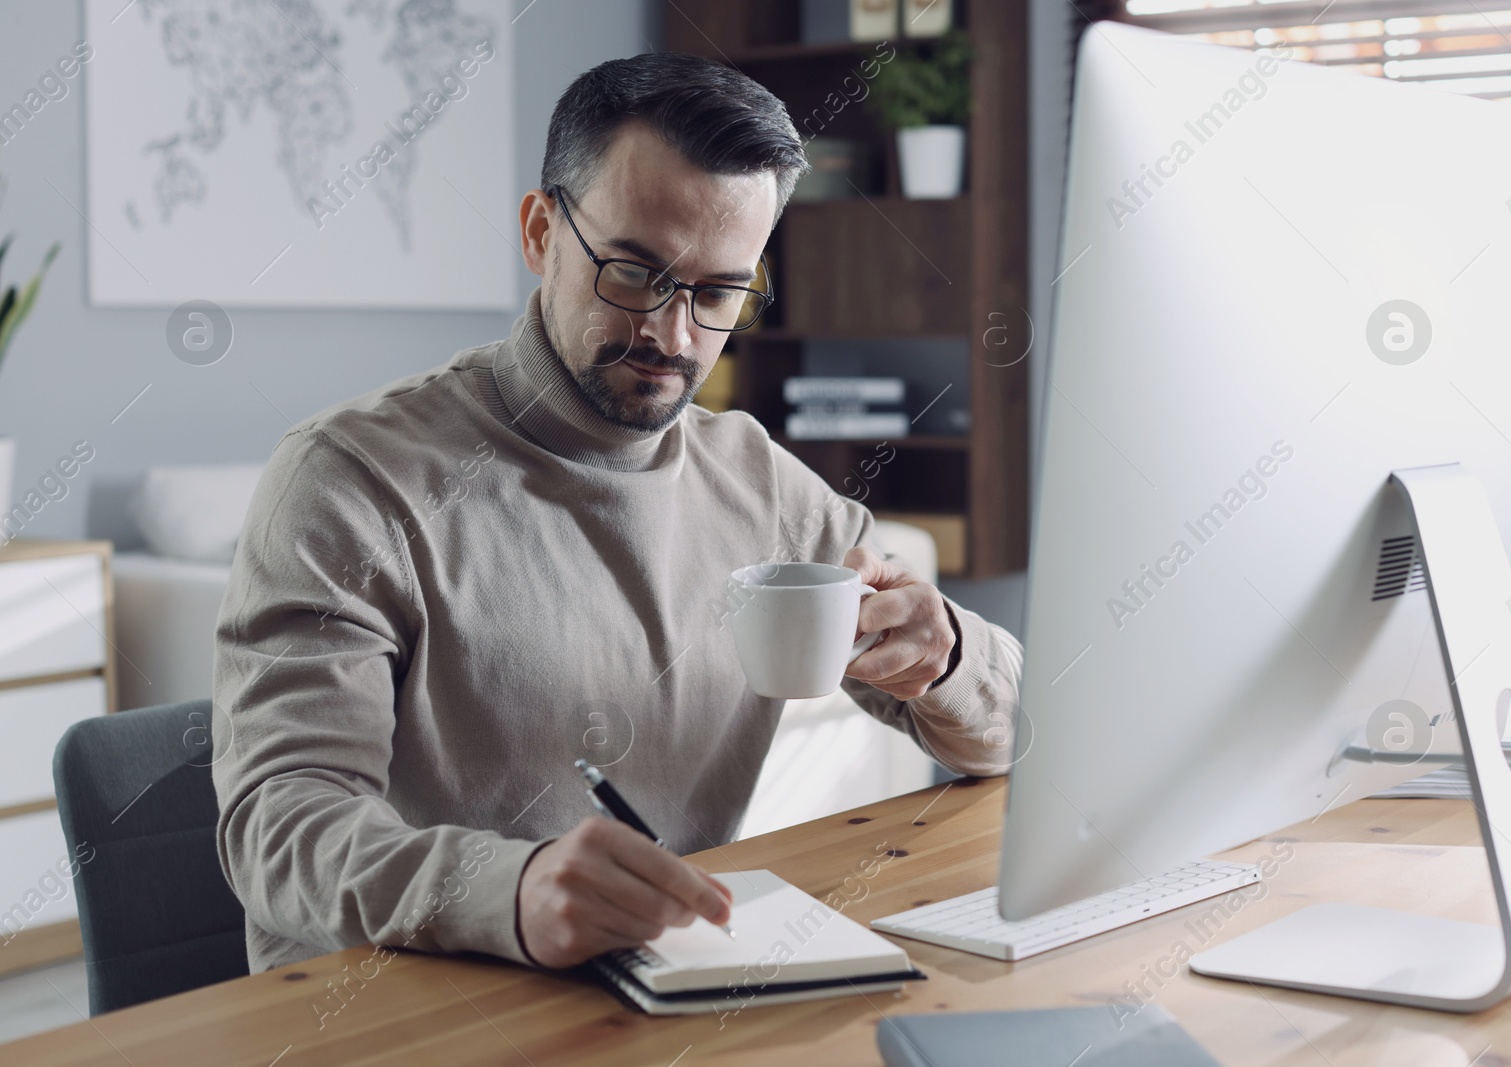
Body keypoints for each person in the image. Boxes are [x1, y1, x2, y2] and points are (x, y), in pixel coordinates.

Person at [212, 51, 1024, 976]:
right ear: (538, 231)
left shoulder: (759, 484)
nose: (673, 338)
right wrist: (508, 892)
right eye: (634, 273)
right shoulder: (349, 480)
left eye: (719, 293)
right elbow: (280, 830)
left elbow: (1020, 737)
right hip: (388, 1006)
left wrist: (949, 654)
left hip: (646, 993)